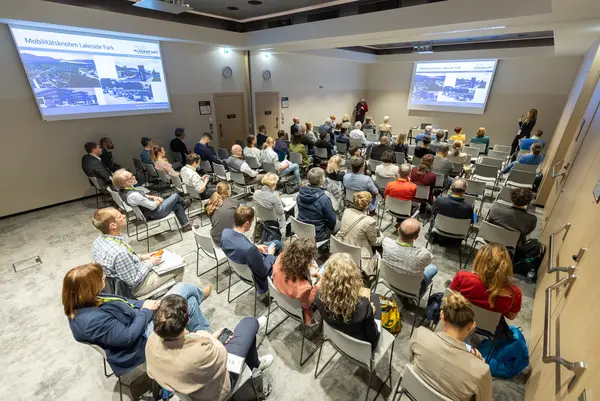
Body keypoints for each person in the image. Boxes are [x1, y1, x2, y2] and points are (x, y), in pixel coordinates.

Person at [63, 263, 212, 379]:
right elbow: (128, 337)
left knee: (189, 302)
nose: (105, 279)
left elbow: (125, 301)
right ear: (89, 287)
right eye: (101, 279)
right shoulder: (91, 321)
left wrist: (148, 304)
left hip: (138, 319)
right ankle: (207, 333)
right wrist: (147, 311)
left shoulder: (85, 299)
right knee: (182, 288)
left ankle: (207, 336)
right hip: (138, 341)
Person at [145, 296, 273, 401]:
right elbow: (223, 357)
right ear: (188, 320)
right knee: (249, 323)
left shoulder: (152, 341)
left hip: (186, 386)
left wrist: (204, 338)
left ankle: (255, 361)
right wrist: (208, 337)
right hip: (217, 390)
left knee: (244, 336)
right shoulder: (199, 353)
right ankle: (256, 365)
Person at [410, 292, 492, 401]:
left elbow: (411, 363)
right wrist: (477, 363)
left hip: (415, 394)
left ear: (442, 315)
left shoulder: (419, 335)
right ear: (472, 326)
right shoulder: (482, 371)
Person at [91, 207, 185, 297]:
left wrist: (142, 257)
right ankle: (175, 303)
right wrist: (150, 263)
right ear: (113, 225)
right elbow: (133, 281)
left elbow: (126, 259)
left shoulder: (98, 241)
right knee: (179, 267)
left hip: (116, 282)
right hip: (135, 288)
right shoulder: (119, 253)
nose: (124, 216)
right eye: (120, 216)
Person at [317, 253, 381, 350]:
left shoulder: (319, 296)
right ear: (353, 278)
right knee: (375, 298)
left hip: (334, 337)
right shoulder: (364, 306)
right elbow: (373, 336)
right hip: (360, 347)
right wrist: (371, 312)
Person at [450, 243, 522, 319]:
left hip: (457, 324)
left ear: (479, 260)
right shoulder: (514, 292)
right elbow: (511, 317)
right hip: (487, 330)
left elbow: (449, 300)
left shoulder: (463, 277)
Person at [112, 169, 193, 232]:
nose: (134, 177)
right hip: (155, 213)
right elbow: (152, 206)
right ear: (123, 183)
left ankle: (186, 226)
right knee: (175, 196)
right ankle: (184, 202)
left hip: (149, 211)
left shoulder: (124, 190)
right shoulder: (133, 195)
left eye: (132, 175)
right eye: (130, 177)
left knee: (176, 205)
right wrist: (159, 200)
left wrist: (154, 197)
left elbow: (142, 196)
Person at [221, 206, 277, 295]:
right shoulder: (250, 250)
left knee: (276, 243)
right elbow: (263, 272)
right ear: (247, 223)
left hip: (241, 268)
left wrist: (255, 246)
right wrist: (270, 255)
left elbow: (239, 245)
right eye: (251, 222)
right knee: (279, 255)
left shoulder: (225, 233)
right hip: (258, 276)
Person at [382, 218, 437, 294]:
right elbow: (428, 262)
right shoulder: (423, 254)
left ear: (398, 230)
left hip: (389, 281)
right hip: (413, 289)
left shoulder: (386, 243)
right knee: (433, 268)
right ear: (417, 236)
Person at [272, 238, 319, 324]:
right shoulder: (304, 287)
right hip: (297, 310)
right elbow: (307, 303)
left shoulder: (280, 258)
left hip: (280, 297)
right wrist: (318, 285)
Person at [337, 192, 382, 276]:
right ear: (367, 204)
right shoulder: (369, 221)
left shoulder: (346, 211)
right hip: (358, 257)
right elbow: (374, 242)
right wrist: (382, 238)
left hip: (341, 247)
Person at [487, 187, 537, 252]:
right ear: (528, 202)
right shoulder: (531, 219)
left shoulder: (495, 210)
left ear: (511, 198)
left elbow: (489, 223)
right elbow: (525, 233)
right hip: (512, 246)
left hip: (490, 239)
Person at [297, 167, 338, 241]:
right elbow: (332, 221)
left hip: (300, 229)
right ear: (321, 180)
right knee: (339, 224)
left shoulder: (299, 194)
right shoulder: (324, 199)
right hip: (317, 235)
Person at [206, 182, 240, 247]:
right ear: (228, 191)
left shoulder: (212, 202)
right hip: (227, 241)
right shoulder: (235, 203)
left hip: (215, 238)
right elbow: (239, 222)